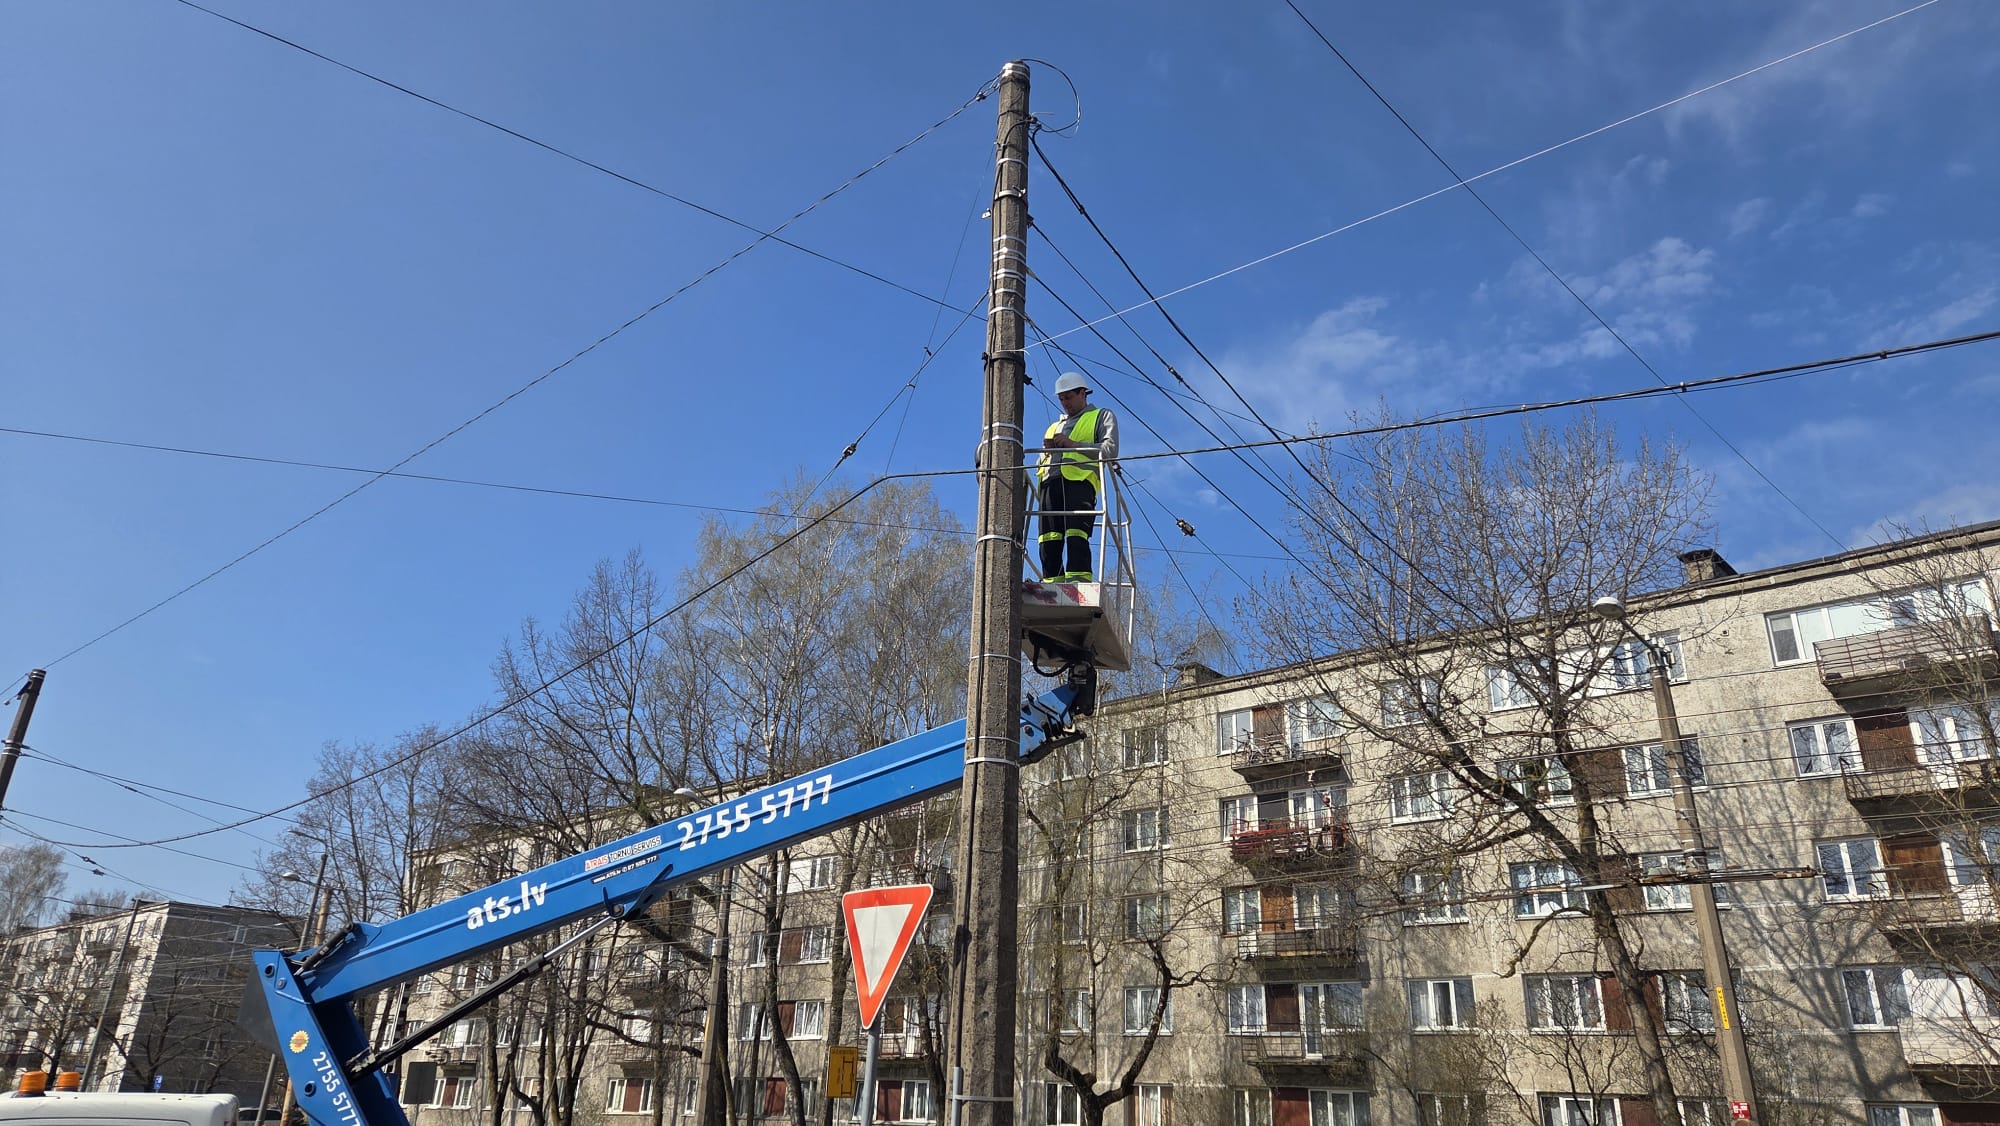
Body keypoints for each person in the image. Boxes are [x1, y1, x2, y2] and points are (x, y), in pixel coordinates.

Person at [1036, 371, 1118, 582]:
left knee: (1076, 534)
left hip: (1080, 482)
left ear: (1083, 393)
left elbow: (1109, 450)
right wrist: (1047, 452)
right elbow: (1039, 462)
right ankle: (1051, 583)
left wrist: (1074, 445)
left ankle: (1078, 581)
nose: (1065, 403)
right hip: (1049, 484)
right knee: (1048, 537)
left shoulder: (1101, 416)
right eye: (1061, 399)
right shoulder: (1054, 427)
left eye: (1069, 397)